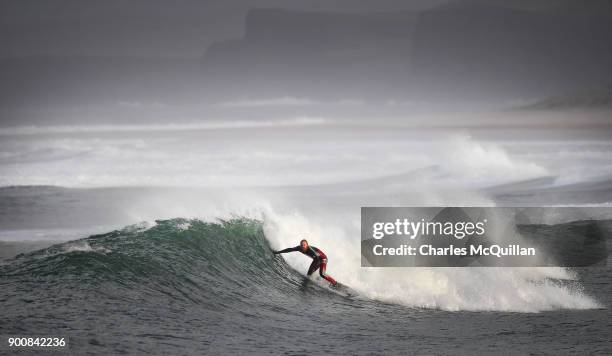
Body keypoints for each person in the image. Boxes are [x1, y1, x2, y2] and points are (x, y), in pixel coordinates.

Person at [273, 239, 338, 286]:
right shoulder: (299, 248)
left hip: (323, 259)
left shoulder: (311, 250)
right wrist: (278, 252)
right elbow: (289, 249)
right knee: (309, 275)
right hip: (316, 259)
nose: (303, 246)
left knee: (322, 274)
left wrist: (316, 265)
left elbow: (318, 258)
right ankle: (317, 281)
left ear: (307, 245)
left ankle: (335, 283)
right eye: (301, 245)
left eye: (304, 245)